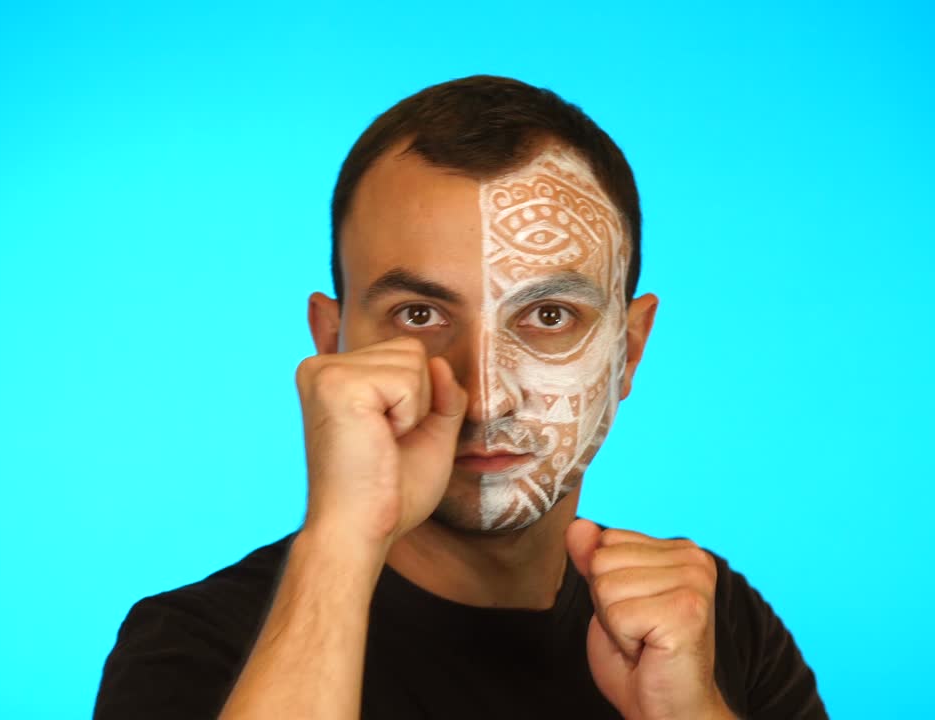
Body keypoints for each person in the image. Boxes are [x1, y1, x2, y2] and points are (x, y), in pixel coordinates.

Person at [93, 75, 827, 720]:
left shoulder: (710, 624)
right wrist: (341, 544)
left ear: (629, 350)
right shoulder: (195, 640)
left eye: (548, 316)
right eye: (420, 314)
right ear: (332, 341)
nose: (484, 396)